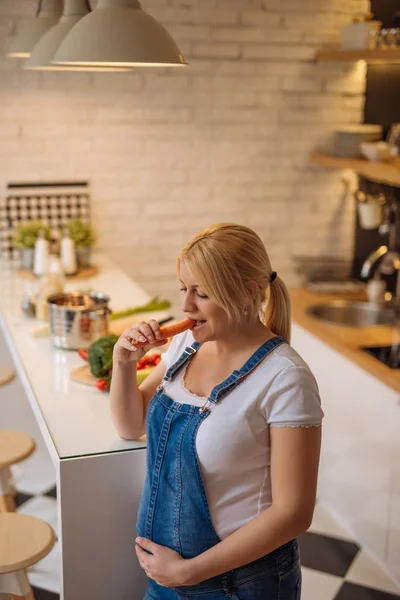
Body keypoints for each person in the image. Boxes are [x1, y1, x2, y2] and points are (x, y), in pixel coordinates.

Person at [110, 223, 324, 600]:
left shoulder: (287, 378)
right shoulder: (182, 346)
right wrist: (123, 363)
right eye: (184, 288)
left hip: (238, 586)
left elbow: (295, 513)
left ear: (247, 293)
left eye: (202, 293)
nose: (185, 306)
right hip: (166, 579)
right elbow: (131, 425)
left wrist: (190, 571)